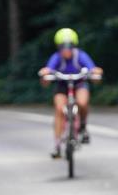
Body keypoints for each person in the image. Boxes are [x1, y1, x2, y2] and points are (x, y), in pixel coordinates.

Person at [38, 28, 103, 158]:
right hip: (62, 86)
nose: (66, 50)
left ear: (74, 46)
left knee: (82, 102)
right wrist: (45, 75)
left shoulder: (81, 56)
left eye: (69, 46)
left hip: (79, 84)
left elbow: (94, 71)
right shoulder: (56, 58)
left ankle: (83, 126)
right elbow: (46, 75)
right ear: (58, 47)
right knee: (58, 110)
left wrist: (96, 73)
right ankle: (57, 145)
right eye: (63, 46)